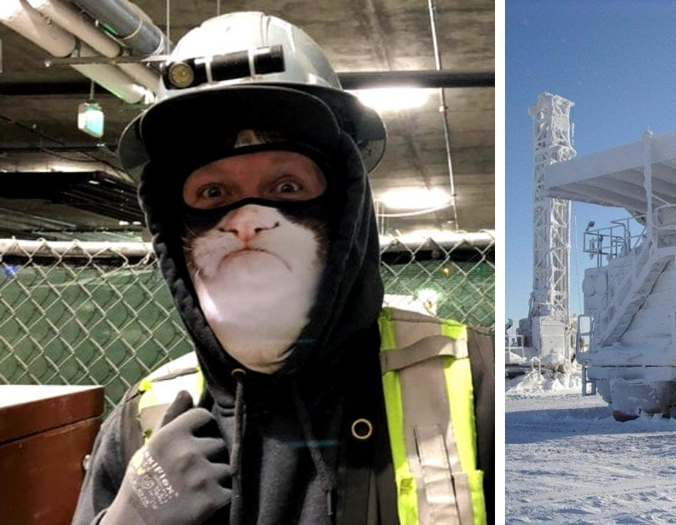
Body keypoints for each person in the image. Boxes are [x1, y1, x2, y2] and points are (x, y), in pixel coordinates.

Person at [71, 11, 493, 525]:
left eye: (287, 187)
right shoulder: (142, 423)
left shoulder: (473, 381)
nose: (248, 219)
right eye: (213, 193)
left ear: (346, 207)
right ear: (173, 227)